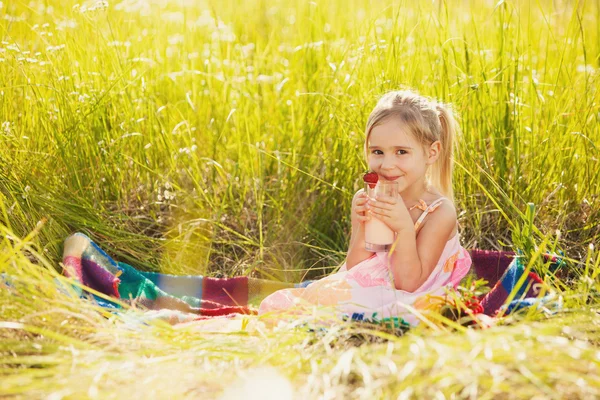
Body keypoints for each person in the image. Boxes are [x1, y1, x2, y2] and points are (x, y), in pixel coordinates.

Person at [258, 90, 472, 326]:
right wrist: (361, 225)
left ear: (431, 153)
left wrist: (403, 228)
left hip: (414, 293)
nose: (387, 165)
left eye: (401, 152)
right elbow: (356, 267)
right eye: (377, 152)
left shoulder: (439, 211)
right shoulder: (369, 197)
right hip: (375, 284)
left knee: (362, 310)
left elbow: (410, 283)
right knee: (291, 304)